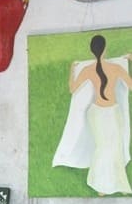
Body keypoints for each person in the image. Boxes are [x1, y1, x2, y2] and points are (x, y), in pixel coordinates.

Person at [53, 35, 132, 195]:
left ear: (92, 51)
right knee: (111, 146)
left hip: (97, 113)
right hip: (109, 112)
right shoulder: (116, 68)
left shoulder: (88, 69)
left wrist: (72, 70)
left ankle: (110, 184)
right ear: (105, 48)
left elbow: (72, 88)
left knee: (104, 147)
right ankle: (104, 185)